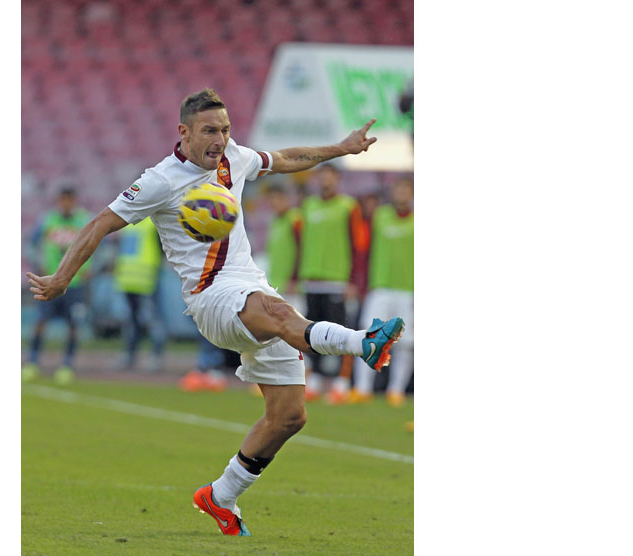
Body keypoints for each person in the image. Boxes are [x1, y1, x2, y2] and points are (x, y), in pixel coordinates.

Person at [26, 89, 404, 537]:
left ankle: (219, 496)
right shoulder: (159, 181)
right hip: (210, 299)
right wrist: (62, 277)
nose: (220, 139)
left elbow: (284, 158)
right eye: (209, 131)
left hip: (250, 286)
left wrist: (340, 149)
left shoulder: (235, 159)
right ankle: (363, 342)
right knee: (281, 314)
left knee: (289, 416)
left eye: (224, 129)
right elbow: (99, 225)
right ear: (183, 132)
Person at [296, 164, 369, 404]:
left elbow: (358, 245)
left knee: (342, 331)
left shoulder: (348, 206)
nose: (325, 180)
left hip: (337, 280)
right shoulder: (308, 206)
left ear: (337, 179)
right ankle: (315, 378)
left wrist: (353, 281)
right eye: (322, 175)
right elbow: (301, 244)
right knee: (312, 332)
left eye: (330, 175)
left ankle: (342, 381)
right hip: (312, 280)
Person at [353, 177, 414, 406]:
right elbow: (362, 248)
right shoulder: (379, 217)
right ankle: (362, 388)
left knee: (406, 342)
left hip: (408, 289)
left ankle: (396, 390)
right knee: (369, 336)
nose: (402, 194)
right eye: (398, 189)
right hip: (379, 287)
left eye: (406, 190)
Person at [22, 186, 92, 384]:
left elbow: (99, 245)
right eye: (63, 200)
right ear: (58, 201)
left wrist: (92, 267)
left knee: (73, 324)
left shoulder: (84, 221)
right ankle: (32, 362)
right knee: (40, 322)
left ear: (74, 201)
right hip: (50, 281)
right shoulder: (47, 220)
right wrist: (39, 263)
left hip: (75, 283)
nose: (66, 204)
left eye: (69, 200)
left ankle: (67, 365)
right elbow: (31, 245)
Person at [113, 217, 168, 372]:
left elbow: (163, 249)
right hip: (128, 279)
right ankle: (130, 354)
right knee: (131, 320)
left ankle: (155, 355)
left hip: (147, 279)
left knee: (152, 319)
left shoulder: (152, 223)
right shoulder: (128, 222)